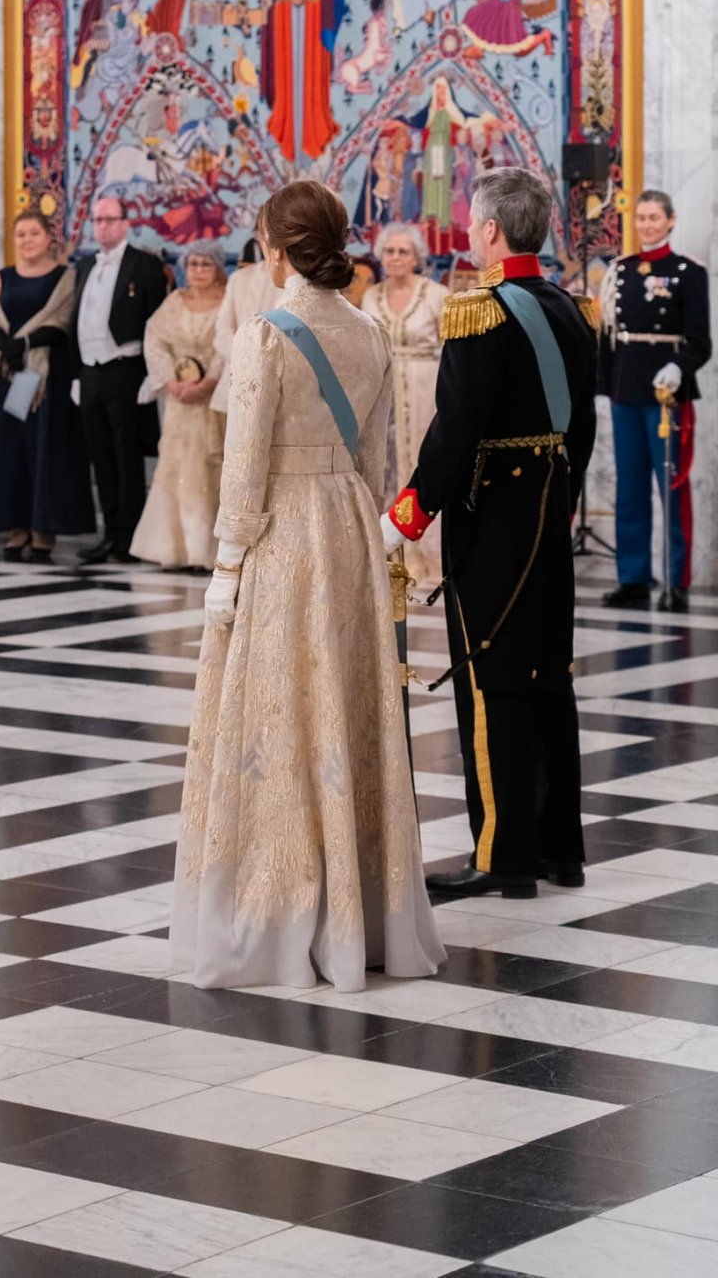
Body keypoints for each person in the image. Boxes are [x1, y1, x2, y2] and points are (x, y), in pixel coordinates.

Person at [172, 178, 444, 992]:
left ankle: (279, 909)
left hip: (286, 537)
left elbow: (244, 467)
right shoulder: (369, 330)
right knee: (347, 714)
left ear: (279, 248)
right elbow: (376, 458)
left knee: (280, 714)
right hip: (350, 529)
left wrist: (225, 564)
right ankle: (357, 908)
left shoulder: (264, 335)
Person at [383, 169, 597, 899]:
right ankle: (559, 848)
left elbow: (455, 433)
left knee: (492, 677)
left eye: (474, 224)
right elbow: (584, 429)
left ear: (492, 231)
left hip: (493, 520)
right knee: (549, 676)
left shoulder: (480, 312)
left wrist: (408, 511)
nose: (471, 235)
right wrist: (558, 494)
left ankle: (502, 855)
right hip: (548, 511)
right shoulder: (571, 307)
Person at [597, 188, 712, 612]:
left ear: (670, 220)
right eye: (641, 218)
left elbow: (701, 342)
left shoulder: (687, 272)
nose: (646, 224)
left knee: (672, 485)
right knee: (629, 488)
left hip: (667, 391)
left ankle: (676, 581)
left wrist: (680, 366)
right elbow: (609, 336)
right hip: (627, 387)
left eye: (654, 217)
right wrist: (601, 386)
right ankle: (633, 578)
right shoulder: (621, 270)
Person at [0, 209, 93, 561]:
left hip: (43, 382)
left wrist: (21, 345)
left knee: (42, 455)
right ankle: (15, 527)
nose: (26, 240)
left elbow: (61, 322)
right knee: (7, 455)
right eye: (20, 234)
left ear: (49, 238)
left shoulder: (64, 278)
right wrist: (8, 347)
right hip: (4, 379)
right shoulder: (0, 277)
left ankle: (43, 530)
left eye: (33, 234)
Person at [72, 194, 169, 562]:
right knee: (101, 456)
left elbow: (157, 323)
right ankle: (109, 533)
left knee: (127, 458)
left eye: (110, 219)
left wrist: (150, 373)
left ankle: (131, 538)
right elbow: (75, 320)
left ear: (126, 223)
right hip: (91, 371)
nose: (103, 226)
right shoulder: (84, 266)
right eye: (97, 220)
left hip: (125, 371)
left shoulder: (143, 265)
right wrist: (76, 374)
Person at [362, 225, 450, 585]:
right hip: (382, 389)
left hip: (424, 386)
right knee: (385, 468)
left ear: (417, 258)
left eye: (403, 252)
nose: (395, 258)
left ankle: (429, 557)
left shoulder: (437, 295)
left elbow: (451, 351)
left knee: (421, 466)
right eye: (389, 251)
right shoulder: (370, 296)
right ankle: (388, 555)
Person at [132, 245, 226, 570]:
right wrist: (171, 381)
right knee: (176, 467)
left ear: (217, 267)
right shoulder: (174, 301)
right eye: (193, 264)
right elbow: (154, 339)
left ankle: (206, 549)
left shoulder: (228, 301)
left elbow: (229, 345)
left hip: (213, 403)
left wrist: (208, 383)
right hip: (179, 403)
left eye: (205, 264)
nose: (198, 269)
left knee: (208, 468)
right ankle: (174, 547)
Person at [211, 210, 275, 414]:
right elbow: (222, 331)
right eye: (263, 232)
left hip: (280, 384)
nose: (268, 239)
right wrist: (245, 359)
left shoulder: (299, 281)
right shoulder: (239, 279)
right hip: (237, 380)